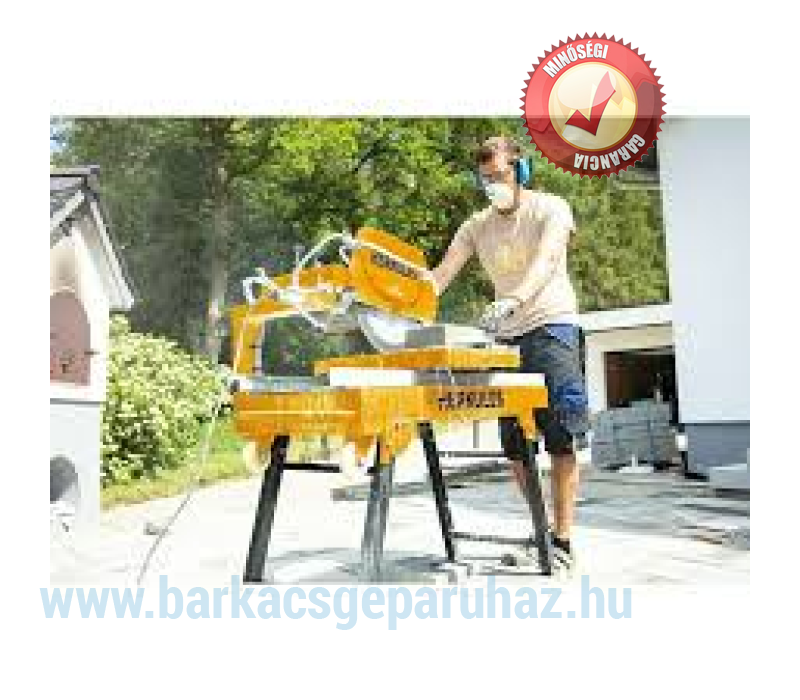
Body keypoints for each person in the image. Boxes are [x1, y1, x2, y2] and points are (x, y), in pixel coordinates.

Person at [430, 135, 589, 575]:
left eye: (499, 176)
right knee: (516, 446)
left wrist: (515, 298)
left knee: (561, 435)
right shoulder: (476, 226)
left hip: (552, 326)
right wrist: (402, 297)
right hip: (508, 338)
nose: (492, 186)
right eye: (485, 179)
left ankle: (563, 540)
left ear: (520, 172)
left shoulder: (551, 209)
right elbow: (442, 273)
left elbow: (547, 259)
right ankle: (542, 531)